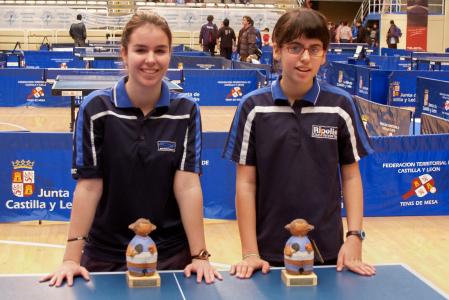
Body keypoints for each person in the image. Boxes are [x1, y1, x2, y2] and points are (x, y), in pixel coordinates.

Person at [40, 12, 222, 287]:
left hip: (170, 255)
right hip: (105, 254)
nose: (151, 59)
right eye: (141, 50)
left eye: (160, 50)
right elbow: (89, 187)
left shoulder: (185, 111)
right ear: (124, 54)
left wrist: (199, 255)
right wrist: (70, 259)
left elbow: (187, 186)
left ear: (170, 55)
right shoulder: (96, 109)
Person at [223, 8, 376, 279]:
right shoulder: (253, 107)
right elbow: (245, 184)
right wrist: (250, 252)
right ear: (277, 50)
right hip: (268, 253)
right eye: (295, 47)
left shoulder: (341, 106)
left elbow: (351, 176)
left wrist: (354, 237)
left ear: (324, 54)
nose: (305, 58)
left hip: (328, 251)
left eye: (314, 48)